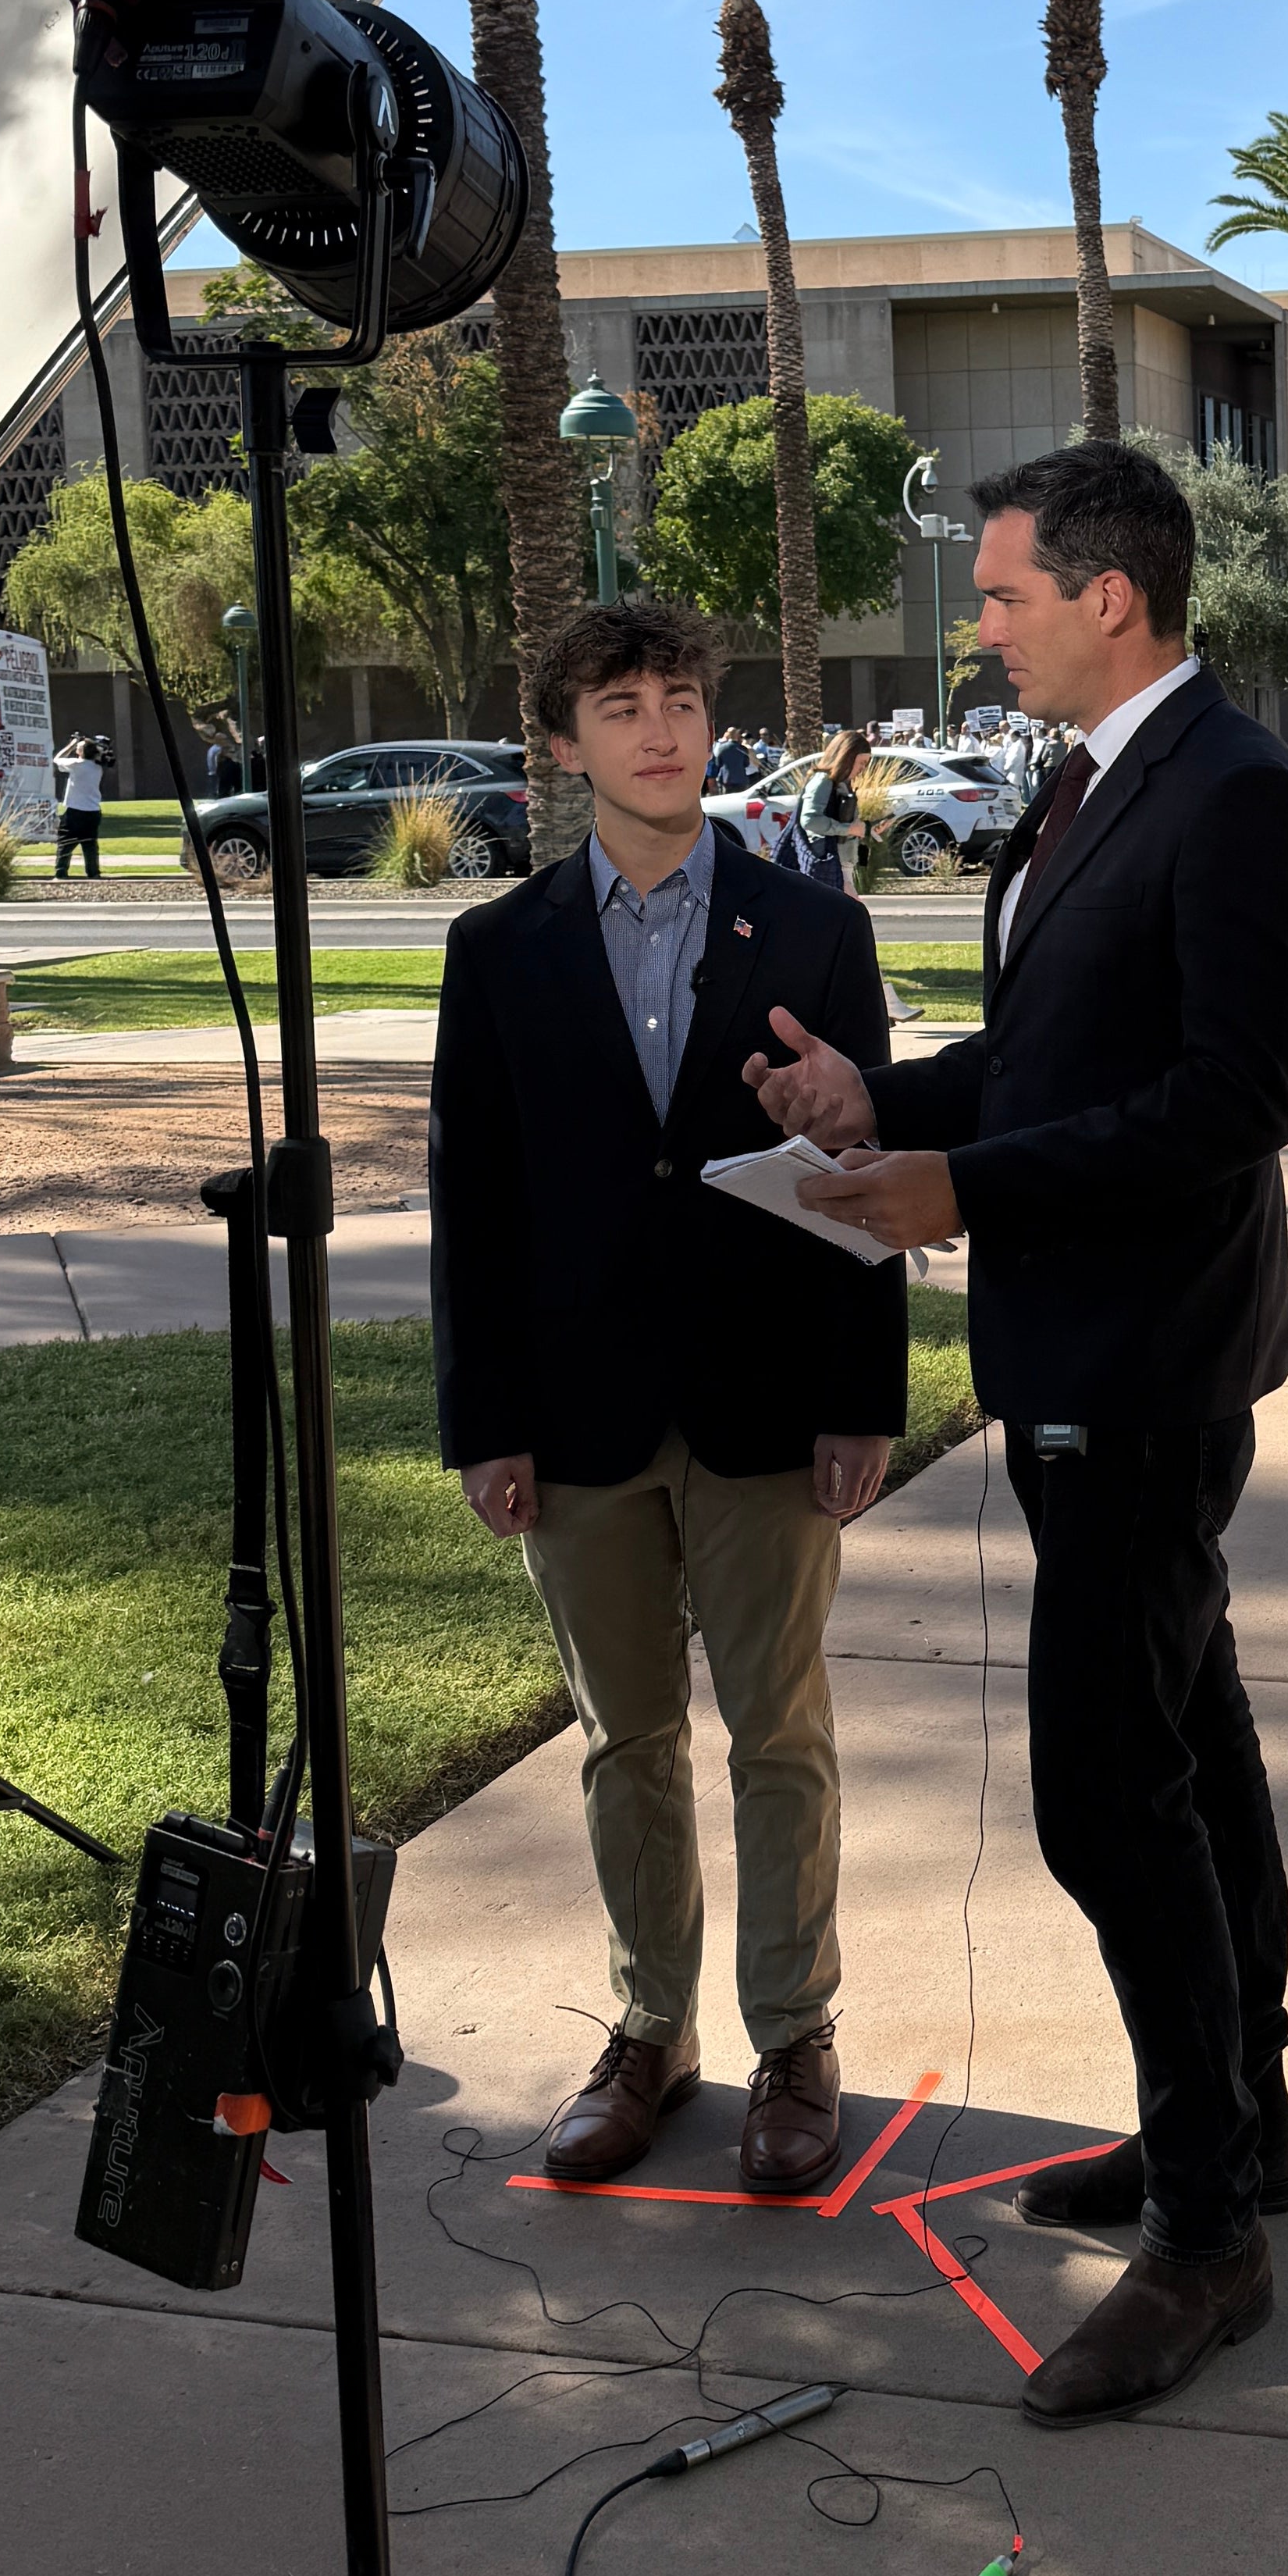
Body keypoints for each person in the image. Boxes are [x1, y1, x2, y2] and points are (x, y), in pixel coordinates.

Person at [742, 442, 1288, 2425]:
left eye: (1000, 598)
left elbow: (1231, 1104)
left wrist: (967, 1192)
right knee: (1192, 1738)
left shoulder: (1235, 796)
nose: (975, 631)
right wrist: (885, 1105)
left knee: (1105, 1795)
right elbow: (1068, 1047)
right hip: (1080, 1352)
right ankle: (1235, 2135)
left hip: (1147, 1371)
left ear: (1112, 597)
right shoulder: (1096, 788)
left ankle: (1205, 2244)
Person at [431, 597, 904, 2192]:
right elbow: (472, 1204)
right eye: (622, 704)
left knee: (779, 1733)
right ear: (564, 744)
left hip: (770, 1403)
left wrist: (865, 1398)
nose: (660, 728)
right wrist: (484, 1419)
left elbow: (863, 1182)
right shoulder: (496, 953)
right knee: (623, 1741)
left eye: (683, 698)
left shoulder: (818, 930)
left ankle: (794, 2040)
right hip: (575, 1418)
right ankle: (653, 2032)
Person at [788, 723, 866, 892]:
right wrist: (848, 829)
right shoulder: (823, 781)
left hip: (840, 865)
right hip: (827, 863)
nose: (863, 769)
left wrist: (868, 828)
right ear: (847, 757)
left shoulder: (841, 783)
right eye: (861, 763)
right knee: (851, 915)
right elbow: (809, 820)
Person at [53, 734, 106, 878]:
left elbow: (57, 759)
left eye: (79, 748)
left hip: (75, 811)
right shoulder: (97, 767)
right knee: (90, 845)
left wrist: (71, 744)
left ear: (82, 752)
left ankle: (61, 872)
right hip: (93, 811)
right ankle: (93, 873)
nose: (77, 749)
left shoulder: (76, 765)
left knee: (65, 842)